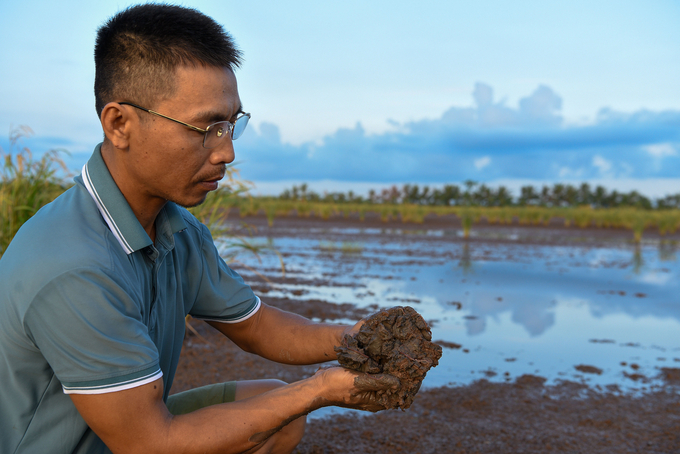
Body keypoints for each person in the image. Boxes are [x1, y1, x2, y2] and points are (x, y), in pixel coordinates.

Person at [0, 4, 398, 454]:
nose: (226, 152)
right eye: (207, 127)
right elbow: (149, 443)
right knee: (285, 404)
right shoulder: (71, 264)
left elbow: (258, 326)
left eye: (231, 125)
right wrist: (318, 390)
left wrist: (361, 339)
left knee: (274, 411)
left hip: (122, 434)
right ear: (120, 124)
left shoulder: (177, 230)